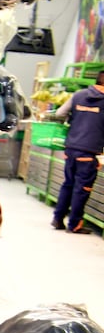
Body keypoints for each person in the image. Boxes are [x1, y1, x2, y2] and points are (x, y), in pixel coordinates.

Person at [51, 70, 104, 233]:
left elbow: (59, 113)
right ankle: (74, 224)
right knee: (82, 189)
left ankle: (58, 219)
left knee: (68, 184)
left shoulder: (78, 95)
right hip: (89, 151)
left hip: (71, 147)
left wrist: (75, 119)